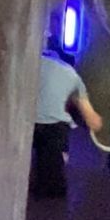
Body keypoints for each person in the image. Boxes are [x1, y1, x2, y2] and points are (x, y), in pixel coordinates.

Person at [33, 52, 104, 199]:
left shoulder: (34, 62)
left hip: (27, 122)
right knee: (54, 167)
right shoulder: (73, 76)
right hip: (55, 127)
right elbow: (93, 120)